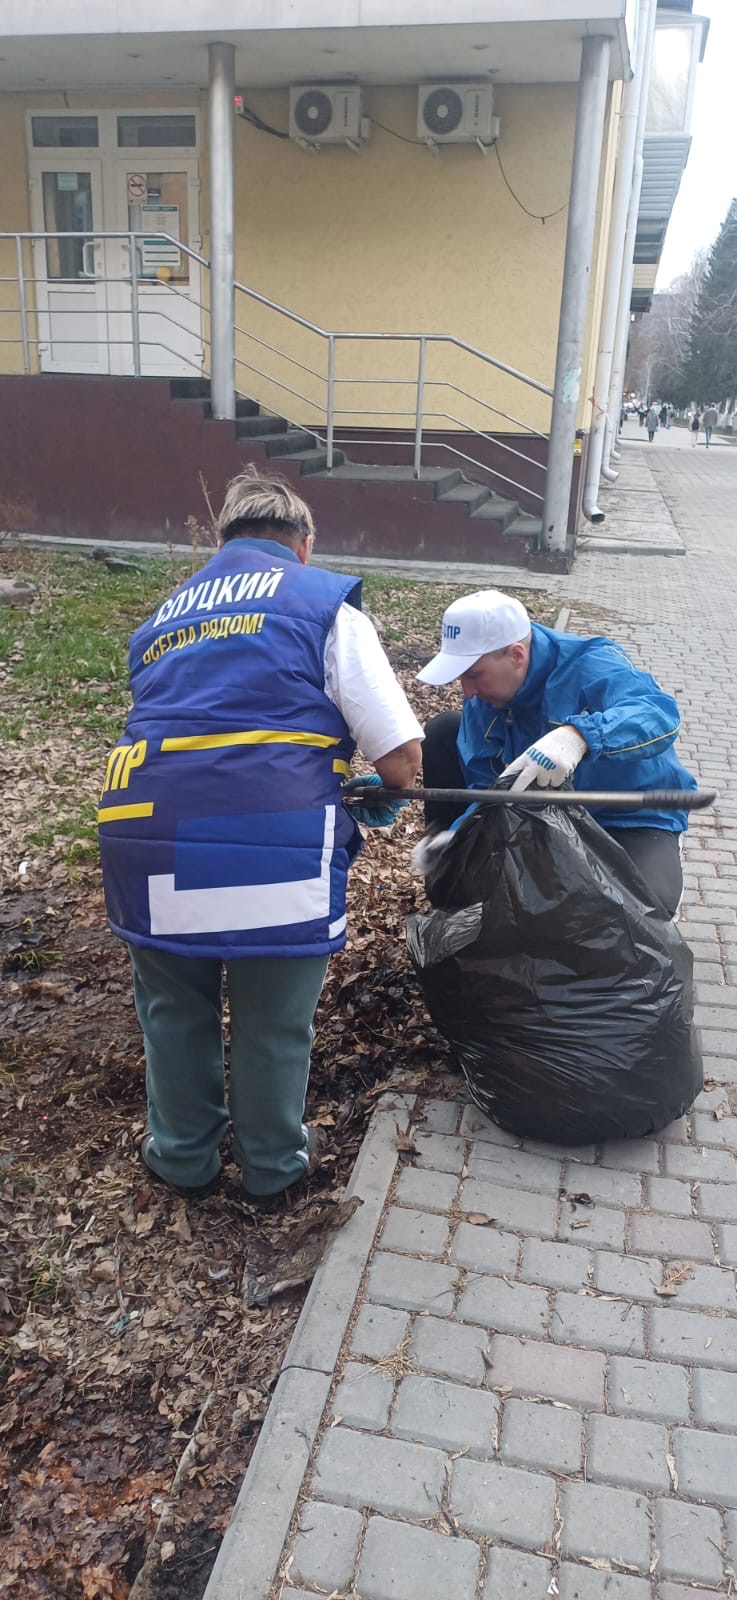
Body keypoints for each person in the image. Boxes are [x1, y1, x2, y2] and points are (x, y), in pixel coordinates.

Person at [98, 469, 422, 1204]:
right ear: (303, 545)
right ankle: (273, 1169)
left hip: (143, 828)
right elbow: (401, 759)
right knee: (271, 1019)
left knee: (172, 1009)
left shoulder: (164, 615)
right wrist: (370, 791)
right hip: (268, 833)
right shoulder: (324, 604)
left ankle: (183, 1158)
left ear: (222, 546)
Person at [415, 589, 697, 919]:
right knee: (444, 732)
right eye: (461, 676)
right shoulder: (484, 700)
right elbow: (488, 786)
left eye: (474, 674)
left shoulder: (591, 664)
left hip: (629, 816)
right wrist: (459, 835)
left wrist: (580, 736)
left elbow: (659, 714)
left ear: (517, 655)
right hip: (545, 817)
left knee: (645, 912)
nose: (467, 691)